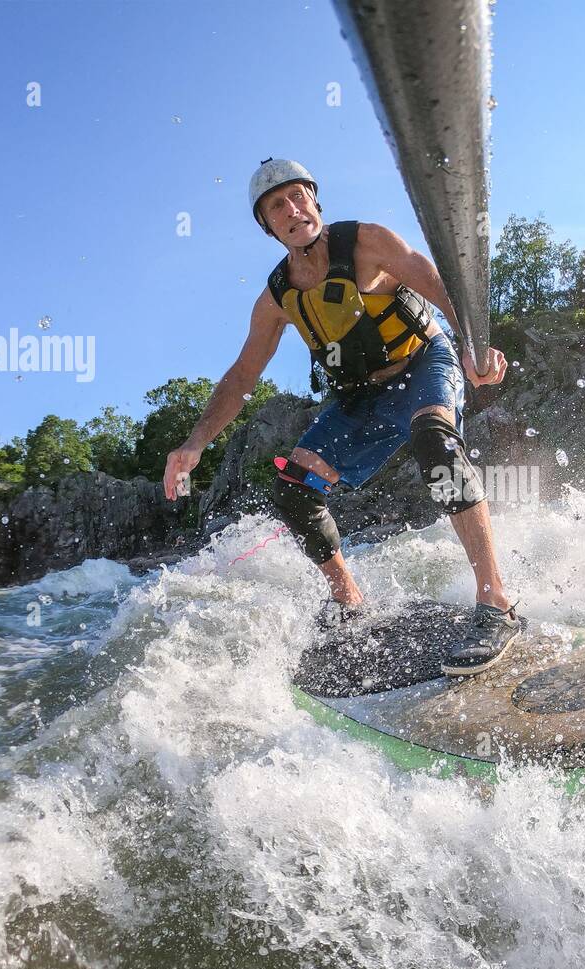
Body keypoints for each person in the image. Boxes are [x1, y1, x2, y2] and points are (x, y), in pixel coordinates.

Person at [163, 159, 521, 675]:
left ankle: (495, 603)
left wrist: (474, 344)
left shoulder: (368, 242)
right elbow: (243, 375)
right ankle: (349, 601)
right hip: (361, 397)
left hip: (424, 362)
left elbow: (437, 282)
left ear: (314, 199)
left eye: (296, 197)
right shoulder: (276, 297)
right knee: (293, 486)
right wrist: (194, 444)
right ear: (267, 226)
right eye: (275, 207)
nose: (291, 210)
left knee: (436, 441)